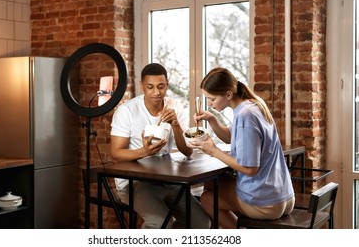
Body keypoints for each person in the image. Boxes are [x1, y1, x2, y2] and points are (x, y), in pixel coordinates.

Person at [189, 67, 295, 229]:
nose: (209, 104)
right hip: (282, 195)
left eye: (211, 99)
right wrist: (211, 119)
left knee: (207, 199)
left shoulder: (246, 115)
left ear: (228, 95)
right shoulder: (252, 105)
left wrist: (214, 151)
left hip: (265, 203)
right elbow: (232, 137)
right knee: (212, 183)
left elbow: (250, 168)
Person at [110, 63, 210, 229]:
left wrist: (176, 125)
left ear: (167, 85)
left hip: (166, 179)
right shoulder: (127, 110)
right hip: (134, 183)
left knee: (201, 223)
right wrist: (144, 151)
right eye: (150, 87)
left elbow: (187, 151)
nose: (156, 92)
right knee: (161, 222)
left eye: (161, 87)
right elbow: (115, 153)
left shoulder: (175, 107)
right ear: (142, 86)